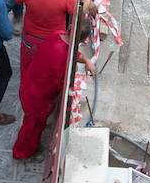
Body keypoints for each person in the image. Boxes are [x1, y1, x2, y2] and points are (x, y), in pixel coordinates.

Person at [12, 17, 95, 160]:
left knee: (33, 124)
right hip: (36, 98)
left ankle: (28, 147)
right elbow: (62, 84)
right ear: (83, 40)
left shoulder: (57, 35)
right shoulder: (62, 57)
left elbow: (72, 52)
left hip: (29, 84)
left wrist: (86, 60)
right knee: (31, 127)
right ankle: (21, 153)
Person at [9, 0, 95, 76]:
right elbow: (83, 9)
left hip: (30, 41)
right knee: (48, 73)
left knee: (28, 70)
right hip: (53, 43)